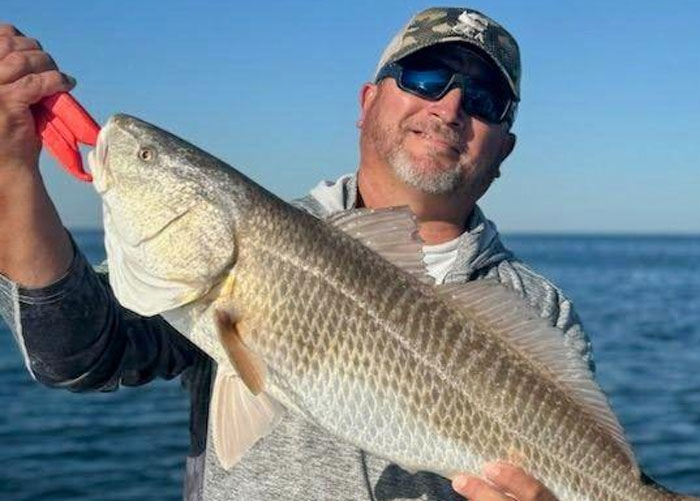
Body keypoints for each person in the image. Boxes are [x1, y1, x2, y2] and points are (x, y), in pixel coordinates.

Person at [0, 7, 591, 501]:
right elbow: (75, 353)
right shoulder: (257, 245)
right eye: (425, 76)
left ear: (504, 147)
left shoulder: (541, 310)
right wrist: (12, 170)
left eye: (484, 98)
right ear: (367, 101)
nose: (450, 106)